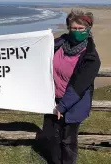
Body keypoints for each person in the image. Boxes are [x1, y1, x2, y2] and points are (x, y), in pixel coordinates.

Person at [39, 10, 101, 164]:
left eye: (82, 29)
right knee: (52, 136)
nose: (78, 31)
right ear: (68, 28)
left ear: (88, 29)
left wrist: (62, 107)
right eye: (74, 28)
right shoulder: (59, 44)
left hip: (74, 104)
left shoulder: (91, 57)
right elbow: (40, 52)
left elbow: (79, 86)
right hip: (52, 99)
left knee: (68, 140)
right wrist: (45, 39)